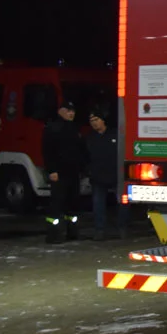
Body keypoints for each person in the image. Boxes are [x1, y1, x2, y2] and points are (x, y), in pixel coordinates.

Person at [42, 101, 84, 243]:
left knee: (72, 204)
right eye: (68, 110)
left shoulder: (74, 128)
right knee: (57, 204)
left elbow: (80, 151)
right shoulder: (52, 127)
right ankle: (53, 235)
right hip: (59, 173)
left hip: (73, 172)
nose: (71, 113)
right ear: (60, 111)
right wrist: (52, 170)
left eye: (72, 111)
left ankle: (72, 232)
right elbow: (48, 151)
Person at [86, 110, 128, 240]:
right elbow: (86, 156)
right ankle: (99, 230)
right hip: (98, 176)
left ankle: (123, 228)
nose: (94, 123)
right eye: (92, 121)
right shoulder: (90, 138)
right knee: (98, 204)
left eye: (96, 120)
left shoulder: (115, 134)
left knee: (122, 203)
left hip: (116, 175)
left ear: (103, 120)